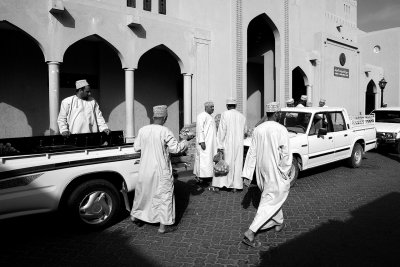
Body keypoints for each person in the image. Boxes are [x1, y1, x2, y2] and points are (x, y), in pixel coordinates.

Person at [130, 105, 193, 234]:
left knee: (143, 194)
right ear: (165, 117)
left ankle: (135, 216)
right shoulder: (165, 131)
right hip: (160, 169)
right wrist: (185, 141)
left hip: (145, 169)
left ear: (154, 116)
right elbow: (175, 149)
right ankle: (162, 227)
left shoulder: (143, 130)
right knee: (164, 196)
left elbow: (136, 147)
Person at [241, 102, 292, 247]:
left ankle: (278, 222)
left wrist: (247, 174)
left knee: (272, 196)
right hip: (275, 169)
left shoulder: (258, 129)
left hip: (261, 170)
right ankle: (251, 232)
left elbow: (252, 153)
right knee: (272, 197)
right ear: (276, 114)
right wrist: (285, 171)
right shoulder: (281, 129)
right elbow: (286, 153)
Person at [210, 98, 247, 192]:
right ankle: (236, 185)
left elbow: (222, 131)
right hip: (238, 144)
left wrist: (220, 145)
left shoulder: (225, 114)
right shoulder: (242, 116)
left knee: (224, 163)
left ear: (227, 106)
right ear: (235, 106)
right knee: (237, 164)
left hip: (227, 144)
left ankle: (221, 184)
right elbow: (245, 131)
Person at [193, 101, 217, 185]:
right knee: (203, 160)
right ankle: (200, 177)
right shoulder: (201, 116)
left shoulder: (210, 117)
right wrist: (202, 141)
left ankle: (207, 176)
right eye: (211, 107)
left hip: (211, 143)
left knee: (209, 160)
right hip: (204, 143)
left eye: (213, 107)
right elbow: (200, 129)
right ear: (206, 107)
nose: (213, 108)